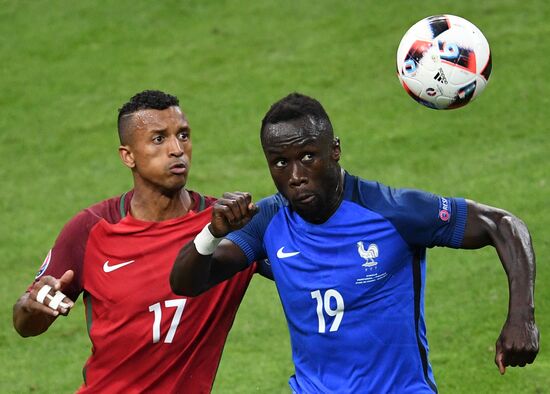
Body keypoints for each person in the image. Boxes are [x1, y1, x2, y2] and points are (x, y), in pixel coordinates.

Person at [170, 92, 539, 393]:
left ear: (335, 150)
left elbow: (503, 224)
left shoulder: (393, 212)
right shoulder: (267, 221)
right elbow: (186, 283)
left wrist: (522, 318)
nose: (296, 176)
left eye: (307, 156)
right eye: (280, 163)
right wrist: (212, 232)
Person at [13, 90, 266, 393]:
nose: (176, 149)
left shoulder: (225, 228)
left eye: (183, 135)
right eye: (159, 139)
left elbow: (304, 265)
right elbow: (24, 324)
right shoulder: (91, 228)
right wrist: (33, 306)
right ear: (128, 155)